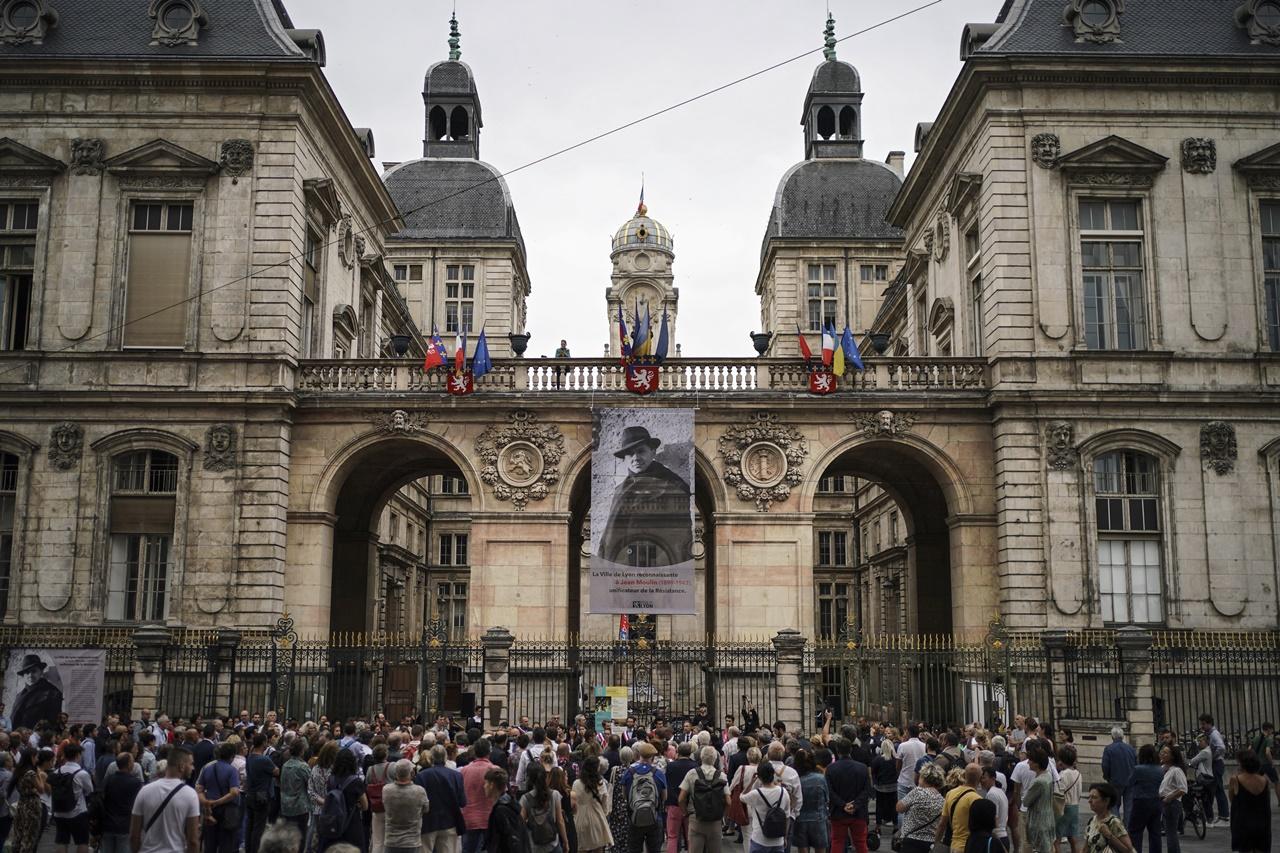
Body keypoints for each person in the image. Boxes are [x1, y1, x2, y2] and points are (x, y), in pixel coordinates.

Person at [598, 426, 692, 567]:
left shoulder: (673, 485)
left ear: (652, 452)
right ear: (625, 459)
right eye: (630, 454)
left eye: (641, 451)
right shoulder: (620, 491)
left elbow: (680, 535)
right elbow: (610, 536)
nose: (636, 458)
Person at [130, 745, 200, 853]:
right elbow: (193, 840)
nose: (193, 768)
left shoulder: (145, 791)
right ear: (181, 766)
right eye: (191, 764)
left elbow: (134, 834)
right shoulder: (190, 795)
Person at [417, 743, 467, 853]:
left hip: (427, 822)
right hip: (449, 822)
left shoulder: (422, 776)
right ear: (445, 757)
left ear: (431, 757)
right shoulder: (456, 776)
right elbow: (462, 802)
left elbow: (419, 801)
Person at [677, 745, 726, 853]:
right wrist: (721, 814)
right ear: (715, 759)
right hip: (715, 820)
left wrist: (686, 813)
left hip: (696, 817)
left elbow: (681, 799)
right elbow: (728, 801)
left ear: (701, 757)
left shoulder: (692, 773)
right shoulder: (721, 776)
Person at [621, 742, 667, 853]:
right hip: (655, 817)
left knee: (634, 849)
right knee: (654, 849)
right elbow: (665, 797)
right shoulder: (658, 773)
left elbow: (624, 795)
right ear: (652, 756)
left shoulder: (629, 772)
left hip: (634, 817)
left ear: (638, 754)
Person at [825, 738, 869, 853]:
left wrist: (843, 805)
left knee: (837, 842)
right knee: (860, 843)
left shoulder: (830, 769)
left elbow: (829, 791)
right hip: (858, 812)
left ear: (837, 751)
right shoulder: (862, 768)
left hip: (838, 812)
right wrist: (855, 804)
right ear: (850, 750)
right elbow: (866, 791)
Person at [50, 740, 93, 853]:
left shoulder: (56, 772)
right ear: (78, 755)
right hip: (77, 812)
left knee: (61, 841)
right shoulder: (82, 773)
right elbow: (89, 790)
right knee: (82, 841)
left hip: (58, 811)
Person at [321, 747, 367, 851]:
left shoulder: (331, 779)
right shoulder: (356, 781)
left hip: (333, 821)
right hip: (352, 823)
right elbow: (365, 806)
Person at [739, 760, 790, 853]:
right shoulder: (784, 792)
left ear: (759, 776)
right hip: (778, 840)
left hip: (760, 839)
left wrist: (751, 782)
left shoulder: (756, 794)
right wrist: (785, 837)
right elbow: (787, 818)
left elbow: (741, 796)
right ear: (773, 774)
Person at [1229, 749, 1272, 853]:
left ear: (1242, 764)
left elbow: (1232, 800)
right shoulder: (1265, 780)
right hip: (1262, 825)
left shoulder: (1235, 779)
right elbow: (1267, 802)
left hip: (1243, 825)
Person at [98, 753, 142, 853]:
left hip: (107, 823)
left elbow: (101, 799)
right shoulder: (135, 783)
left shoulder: (108, 780)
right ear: (129, 764)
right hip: (125, 825)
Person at [896, 761, 944, 853]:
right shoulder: (941, 799)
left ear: (924, 778)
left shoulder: (918, 792)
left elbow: (899, 808)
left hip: (912, 841)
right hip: (930, 843)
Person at [383, 759, 430, 853]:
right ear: (412, 773)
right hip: (412, 841)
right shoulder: (419, 791)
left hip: (391, 840)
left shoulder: (386, 790)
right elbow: (426, 809)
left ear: (396, 773)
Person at [574, 744, 614, 853]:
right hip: (597, 816)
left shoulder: (576, 783)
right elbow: (605, 804)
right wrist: (605, 813)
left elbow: (574, 801)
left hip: (580, 817)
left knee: (581, 847)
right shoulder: (600, 783)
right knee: (598, 847)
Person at [461, 736, 498, 853]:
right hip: (490, 818)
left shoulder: (464, 770)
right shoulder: (495, 770)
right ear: (489, 752)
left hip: (469, 818)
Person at [937, 764, 984, 853]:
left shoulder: (950, 793)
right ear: (980, 778)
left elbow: (942, 824)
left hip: (954, 845)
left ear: (964, 775)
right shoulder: (977, 799)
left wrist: (936, 843)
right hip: (969, 846)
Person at [522, 764, 568, 853]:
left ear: (529, 778)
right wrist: (566, 842)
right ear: (545, 776)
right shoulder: (554, 794)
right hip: (553, 844)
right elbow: (560, 821)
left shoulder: (525, 799)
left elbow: (521, 823)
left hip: (535, 846)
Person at [10, 655, 63, 731]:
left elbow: (53, 725)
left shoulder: (53, 693)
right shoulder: (20, 695)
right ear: (23, 675)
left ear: (41, 672)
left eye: (34, 671)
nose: (30, 675)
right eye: (27, 672)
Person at [790, 750, 828, 853]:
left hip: (800, 818)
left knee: (802, 848)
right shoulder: (820, 779)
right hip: (818, 817)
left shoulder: (795, 779)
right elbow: (827, 799)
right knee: (820, 848)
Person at [1126, 745, 1162, 853]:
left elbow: (1129, 782)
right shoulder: (1160, 769)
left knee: (1135, 831)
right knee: (1155, 833)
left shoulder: (1138, 769)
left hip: (1140, 801)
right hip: (1156, 801)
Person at [245, 732, 276, 853]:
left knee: (250, 825)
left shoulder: (250, 757)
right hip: (262, 796)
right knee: (259, 827)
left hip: (251, 794)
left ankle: (249, 849)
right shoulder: (264, 760)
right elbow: (276, 771)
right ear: (263, 743)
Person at [664, 742, 696, 853]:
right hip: (690, 806)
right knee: (690, 837)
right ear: (690, 752)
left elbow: (667, 784)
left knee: (672, 836)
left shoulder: (671, 766)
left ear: (678, 752)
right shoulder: (695, 766)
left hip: (673, 804)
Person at [279, 737, 312, 846]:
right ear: (302, 751)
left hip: (285, 805)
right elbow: (310, 785)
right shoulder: (303, 766)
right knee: (301, 838)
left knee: (288, 837)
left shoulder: (285, 765)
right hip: (300, 806)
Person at [1198, 714, 1229, 828]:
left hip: (1217, 763)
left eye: (1203, 724)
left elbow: (1221, 747)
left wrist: (1213, 756)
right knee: (1217, 789)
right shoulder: (1210, 734)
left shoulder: (1214, 734)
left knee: (1219, 789)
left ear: (1209, 723)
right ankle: (1222, 816)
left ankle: (1225, 817)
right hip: (1216, 763)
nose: (1202, 726)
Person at [1084, 783, 1133, 853]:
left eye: (1094, 797)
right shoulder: (1092, 820)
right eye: (1089, 797)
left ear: (1106, 801)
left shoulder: (1114, 822)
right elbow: (1086, 848)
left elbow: (1128, 850)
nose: (1089, 801)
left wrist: (1109, 835)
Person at [1101, 728, 1136, 823]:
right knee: (1128, 806)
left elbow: (1105, 766)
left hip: (1115, 781)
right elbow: (1136, 764)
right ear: (1123, 736)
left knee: (1114, 804)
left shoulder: (1108, 749)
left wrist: (1107, 777)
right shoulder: (1131, 748)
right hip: (1130, 781)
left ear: (1112, 736)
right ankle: (1127, 828)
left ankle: (1117, 825)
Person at [1157, 745, 1186, 853]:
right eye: (1162, 752)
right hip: (1162, 802)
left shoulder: (1176, 770)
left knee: (1171, 834)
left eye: (1166, 753)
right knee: (1168, 833)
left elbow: (1183, 789)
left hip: (1172, 804)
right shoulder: (1162, 768)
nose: (1162, 754)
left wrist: (1169, 797)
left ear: (1172, 756)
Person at [1056, 745, 1083, 853]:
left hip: (1064, 807)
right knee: (1073, 837)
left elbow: (1058, 793)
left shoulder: (1063, 774)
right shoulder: (1078, 774)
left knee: (1056, 839)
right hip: (1075, 806)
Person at [869, 739, 897, 833]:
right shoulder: (895, 759)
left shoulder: (878, 759)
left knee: (879, 806)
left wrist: (875, 782)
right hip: (893, 786)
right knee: (893, 806)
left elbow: (873, 772)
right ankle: (896, 826)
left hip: (881, 787)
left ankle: (878, 826)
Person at [978, 767, 1007, 849]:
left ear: (993, 778)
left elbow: (994, 818)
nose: (981, 781)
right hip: (1003, 835)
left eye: (984, 778)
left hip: (998, 837)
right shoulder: (1000, 791)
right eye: (980, 778)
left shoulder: (991, 794)